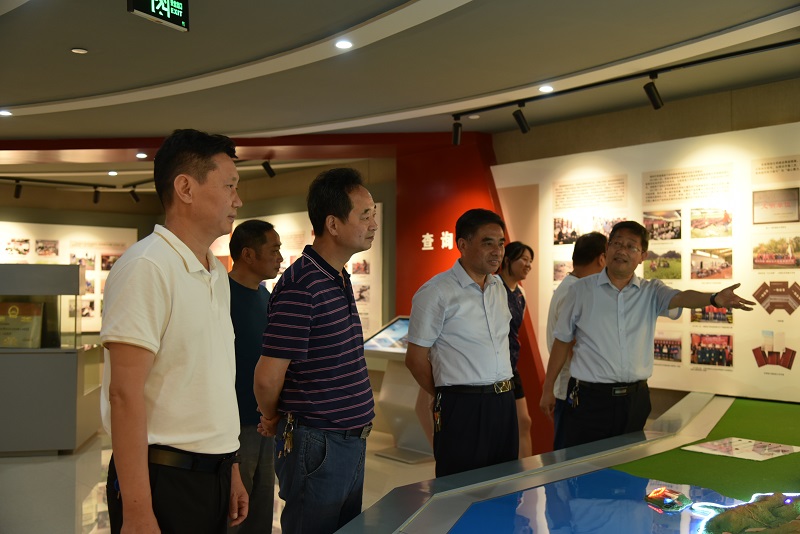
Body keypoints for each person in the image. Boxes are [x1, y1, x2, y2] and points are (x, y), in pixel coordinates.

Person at [100, 129, 248, 533]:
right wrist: (137, 511)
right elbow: (124, 394)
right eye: (229, 186)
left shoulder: (216, 272)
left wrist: (229, 465)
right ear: (185, 188)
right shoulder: (146, 267)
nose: (238, 200)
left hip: (212, 473)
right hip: (164, 478)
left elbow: (210, 384)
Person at [539, 220, 754, 448]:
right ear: (607, 249)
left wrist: (713, 299)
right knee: (583, 462)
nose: (622, 250)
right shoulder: (580, 290)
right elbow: (561, 341)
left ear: (643, 256)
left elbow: (682, 297)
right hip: (589, 399)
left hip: (635, 400)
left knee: (629, 462)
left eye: (631, 246)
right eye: (617, 243)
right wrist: (548, 388)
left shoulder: (651, 292)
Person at [253, 168, 377, 534]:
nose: (373, 224)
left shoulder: (335, 276)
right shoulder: (302, 284)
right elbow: (267, 377)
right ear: (333, 224)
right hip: (319, 443)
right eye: (364, 215)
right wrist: (272, 417)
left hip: (346, 440)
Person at [405, 208, 518, 478]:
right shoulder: (436, 292)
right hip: (463, 406)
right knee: (461, 489)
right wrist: (446, 394)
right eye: (488, 243)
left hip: (504, 402)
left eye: (501, 243)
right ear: (463, 245)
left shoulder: (498, 288)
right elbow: (415, 359)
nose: (497, 251)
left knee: (505, 485)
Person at [227, 220, 283, 534]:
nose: (280, 257)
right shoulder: (220, 295)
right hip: (234, 422)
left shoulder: (265, 295)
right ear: (248, 254)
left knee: (262, 508)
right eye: (273, 250)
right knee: (236, 510)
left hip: (266, 421)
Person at [545, 231, 607, 450]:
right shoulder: (575, 290)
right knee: (571, 457)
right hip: (572, 391)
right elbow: (571, 345)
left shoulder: (572, 286)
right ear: (602, 259)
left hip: (571, 389)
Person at [498, 241, 535, 458]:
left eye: (530, 261)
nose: (528, 265)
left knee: (524, 421)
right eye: (524, 259)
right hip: (493, 370)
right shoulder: (492, 287)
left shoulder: (521, 293)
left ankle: (527, 472)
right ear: (507, 260)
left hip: (511, 367)